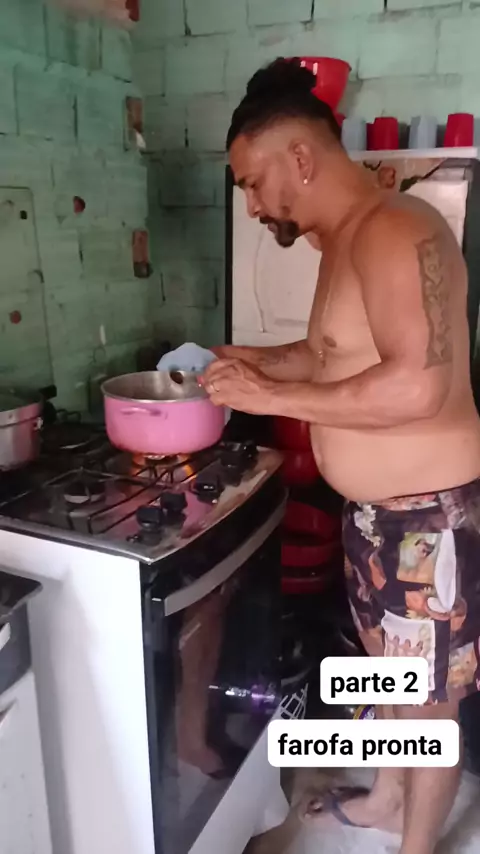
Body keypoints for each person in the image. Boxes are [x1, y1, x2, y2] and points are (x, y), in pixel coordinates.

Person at [201, 58, 480, 854]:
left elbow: (418, 385)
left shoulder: (397, 228)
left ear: (299, 157)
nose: (252, 205)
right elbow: (329, 356)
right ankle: (389, 798)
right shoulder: (345, 241)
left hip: (425, 524)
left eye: (253, 183)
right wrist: (245, 362)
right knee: (393, 680)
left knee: (428, 703)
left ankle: (416, 847)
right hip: (377, 520)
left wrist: (271, 396)